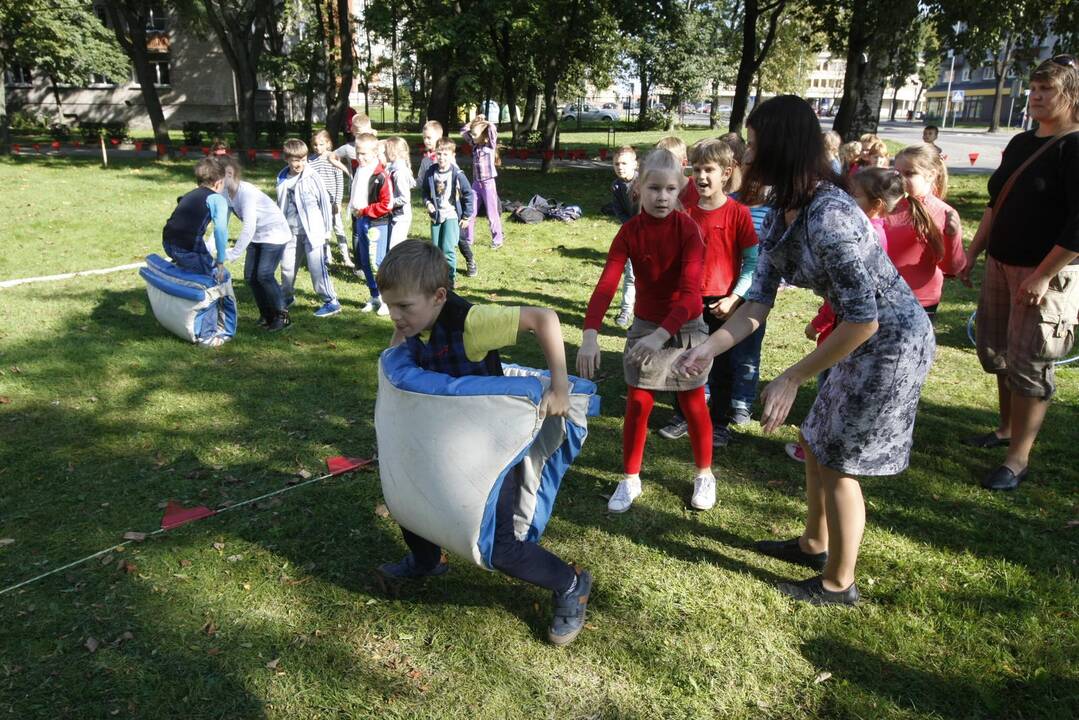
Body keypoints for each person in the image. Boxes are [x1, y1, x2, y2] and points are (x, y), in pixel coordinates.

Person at [675, 96, 935, 605]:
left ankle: (839, 582)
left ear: (780, 147)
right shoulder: (783, 209)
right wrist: (710, 347)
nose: (745, 156)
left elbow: (866, 319)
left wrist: (791, 375)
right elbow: (757, 301)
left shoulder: (830, 216)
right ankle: (813, 543)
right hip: (857, 333)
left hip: (892, 342)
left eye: (752, 145)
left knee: (840, 460)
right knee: (816, 438)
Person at [375, 239, 593, 647]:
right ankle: (427, 560)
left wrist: (559, 386)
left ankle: (570, 582)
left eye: (404, 307)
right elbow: (398, 358)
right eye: (390, 306)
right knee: (412, 498)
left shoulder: (472, 322)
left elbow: (544, 318)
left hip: (487, 450)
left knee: (500, 547)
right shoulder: (415, 319)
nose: (396, 317)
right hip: (439, 439)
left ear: (439, 296)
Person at [958, 54, 1079, 492]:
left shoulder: (1075, 146)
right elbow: (995, 204)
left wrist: (1044, 275)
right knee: (997, 351)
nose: (1037, 97)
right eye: (1033, 89)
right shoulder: (1021, 142)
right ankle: (1006, 429)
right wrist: (972, 253)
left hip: (1045, 274)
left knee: (1030, 361)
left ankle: (1018, 459)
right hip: (1001, 263)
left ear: (1072, 96)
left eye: (1047, 90)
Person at [577, 148, 715, 514]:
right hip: (647, 325)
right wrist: (590, 333)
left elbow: (689, 295)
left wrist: (660, 335)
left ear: (680, 190)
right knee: (638, 403)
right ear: (639, 188)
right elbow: (607, 286)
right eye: (654, 188)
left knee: (692, 402)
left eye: (671, 189)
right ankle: (630, 478)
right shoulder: (629, 232)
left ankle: (704, 473)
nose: (663, 197)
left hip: (685, 326)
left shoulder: (689, 230)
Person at [789, 166, 903, 463]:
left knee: (830, 400)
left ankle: (815, 447)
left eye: (854, 195)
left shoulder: (853, 235)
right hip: (848, 329)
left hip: (849, 335)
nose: (846, 199)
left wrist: (820, 322)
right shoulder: (864, 229)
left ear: (876, 204)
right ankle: (815, 447)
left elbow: (852, 301)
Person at [656, 140, 758, 459]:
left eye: (709, 170)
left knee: (723, 365)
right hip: (686, 302)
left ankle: (719, 421)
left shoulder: (739, 214)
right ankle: (682, 414)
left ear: (726, 173)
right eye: (696, 169)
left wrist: (735, 297)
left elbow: (753, 263)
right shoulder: (683, 214)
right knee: (680, 358)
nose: (701, 176)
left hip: (723, 304)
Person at [885, 144, 964, 319]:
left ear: (931, 174)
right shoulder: (884, 205)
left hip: (919, 302)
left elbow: (953, 267)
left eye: (909, 173)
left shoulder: (942, 212)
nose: (900, 179)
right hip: (879, 296)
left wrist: (952, 236)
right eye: (897, 173)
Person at [220, 157, 293, 331]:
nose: (214, 184)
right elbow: (221, 222)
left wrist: (236, 252)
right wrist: (213, 244)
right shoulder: (225, 193)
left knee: (264, 275)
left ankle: (282, 317)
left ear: (229, 174)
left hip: (274, 234)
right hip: (257, 235)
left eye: (216, 178)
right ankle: (267, 315)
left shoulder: (247, 193)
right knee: (250, 277)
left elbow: (249, 226)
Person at [275, 138, 341, 318]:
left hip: (313, 232)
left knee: (316, 268)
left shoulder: (313, 177)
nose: (300, 164)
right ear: (286, 159)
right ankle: (286, 297)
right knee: (287, 268)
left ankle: (331, 301)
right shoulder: (282, 178)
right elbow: (280, 204)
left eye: (303, 159)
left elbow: (325, 204)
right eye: (296, 160)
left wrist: (326, 230)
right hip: (290, 232)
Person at [161, 157, 229, 281]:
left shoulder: (190, 194)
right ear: (218, 183)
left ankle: (184, 269)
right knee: (220, 276)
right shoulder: (218, 199)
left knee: (201, 260)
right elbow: (220, 230)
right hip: (186, 249)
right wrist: (220, 261)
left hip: (168, 243)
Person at [349, 132, 393, 315]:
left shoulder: (380, 175)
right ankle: (374, 295)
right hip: (360, 220)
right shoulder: (359, 168)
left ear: (375, 153)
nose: (360, 157)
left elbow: (387, 204)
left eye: (364, 153)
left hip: (377, 222)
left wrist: (366, 211)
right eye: (358, 153)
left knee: (377, 262)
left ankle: (387, 299)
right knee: (365, 261)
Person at [421, 137, 474, 284]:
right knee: (436, 249)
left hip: (451, 214)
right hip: (436, 215)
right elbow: (425, 191)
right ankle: (438, 277)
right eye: (439, 154)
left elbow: (469, 194)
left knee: (448, 248)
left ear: (452, 156)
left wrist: (466, 216)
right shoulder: (431, 172)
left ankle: (450, 279)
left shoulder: (457, 174)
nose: (442, 158)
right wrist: (428, 203)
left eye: (445, 154)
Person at [309, 129, 354, 269]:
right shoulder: (310, 161)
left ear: (328, 144)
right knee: (324, 231)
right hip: (319, 203)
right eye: (315, 145)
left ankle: (345, 257)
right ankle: (327, 257)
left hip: (333, 202)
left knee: (339, 229)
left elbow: (339, 181)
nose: (318, 148)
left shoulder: (333, 158)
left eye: (321, 144)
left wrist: (338, 201)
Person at [461, 115, 504, 250]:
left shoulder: (490, 145)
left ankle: (497, 240)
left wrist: (485, 122)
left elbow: (492, 128)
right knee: (471, 212)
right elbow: (463, 131)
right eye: (472, 135)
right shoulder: (475, 145)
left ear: (484, 136)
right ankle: (468, 239)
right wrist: (475, 120)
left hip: (488, 184)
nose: (472, 137)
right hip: (476, 184)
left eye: (475, 135)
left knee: (492, 213)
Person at [610, 145, 639, 329]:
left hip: (652, 233)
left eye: (624, 163)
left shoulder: (644, 182)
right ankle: (626, 309)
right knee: (631, 275)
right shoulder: (616, 186)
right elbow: (619, 210)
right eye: (616, 163)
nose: (620, 167)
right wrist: (631, 228)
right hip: (632, 234)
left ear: (635, 164)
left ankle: (644, 314)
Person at [384, 136, 416, 252]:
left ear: (393, 153)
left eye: (386, 150)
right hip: (395, 214)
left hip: (401, 216)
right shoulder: (392, 168)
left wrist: (388, 203)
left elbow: (404, 198)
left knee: (395, 248)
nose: (384, 152)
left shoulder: (399, 173)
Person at [656, 135, 698, 209]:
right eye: (658, 162)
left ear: (684, 164)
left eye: (669, 163)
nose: (662, 167)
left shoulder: (697, 190)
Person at [416, 120, 442, 190]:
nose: (426, 141)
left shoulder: (445, 157)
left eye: (429, 138)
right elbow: (420, 180)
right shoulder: (426, 159)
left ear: (439, 137)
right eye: (424, 138)